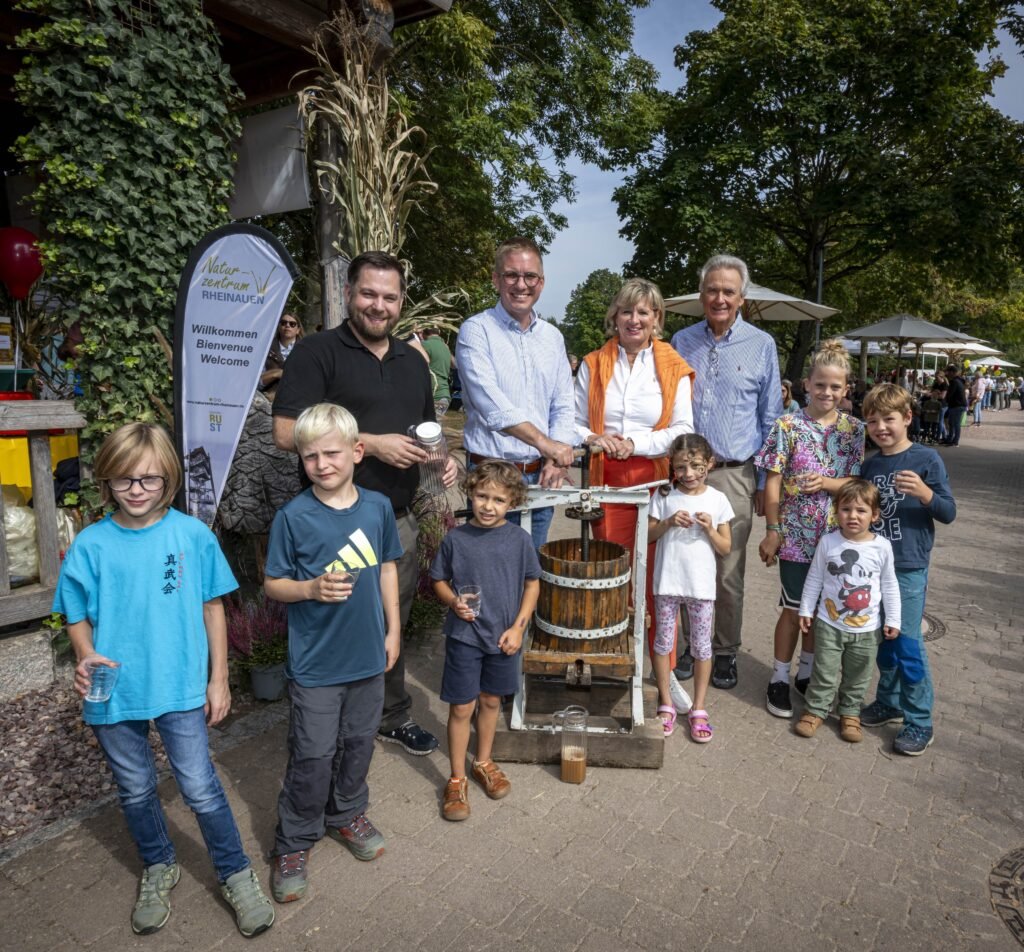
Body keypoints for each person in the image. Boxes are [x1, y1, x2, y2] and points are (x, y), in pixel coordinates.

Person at [53, 423, 274, 938]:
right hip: (115, 689)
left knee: (200, 786)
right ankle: (158, 864)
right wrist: (86, 656)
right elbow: (75, 613)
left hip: (178, 684)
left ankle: (235, 873)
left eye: (150, 480)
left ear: (169, 481)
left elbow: (213, 607)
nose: (137, 490)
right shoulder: (91, 544)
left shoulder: (192, 535)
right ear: (107, 481)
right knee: (134, 789)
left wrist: (219, 679)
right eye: (125, 479)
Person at [273, 251, 457, 757]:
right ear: (350, 293)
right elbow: (286, 432)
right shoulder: (316, 352)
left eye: (389, 297)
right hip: (330, 520)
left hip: (393, 519)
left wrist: (442, 458)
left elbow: (427, 432)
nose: (379, 305)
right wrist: (371, 444)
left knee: (389, 619)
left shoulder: (412, 362)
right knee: (331, 620)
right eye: (368, 293)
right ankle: (322, 722)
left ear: (401, 302)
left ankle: (389, 715)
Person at [264, 404, 402, 902]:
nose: (321, 464)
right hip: (316, 666)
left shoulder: (378, 508)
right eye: (310, 457)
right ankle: (294, 839)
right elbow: (273, 585)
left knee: (360, 742)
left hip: (368, 657)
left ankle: (346, 813)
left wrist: (394, 630)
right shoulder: (292, 517)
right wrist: (310, 590)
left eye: (331, 453)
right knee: (313, 754)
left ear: (356, 452)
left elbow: (388, 567)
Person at [670, 254, 783, 689]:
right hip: (683, 474)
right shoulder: (680, 341)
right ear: (702, 295)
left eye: (728, 291)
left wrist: (763, 480)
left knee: (727, 569)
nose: (719, 298)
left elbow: (772, 418)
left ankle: (723, 651)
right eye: (712, 290)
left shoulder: (762, 345)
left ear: (742, 297)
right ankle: (685, 647)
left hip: (736, 474)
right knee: (681, 560)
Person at [574, 277, 694, 673]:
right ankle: (614, 662)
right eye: (627, 310)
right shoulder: (592, 363)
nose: (634, 319)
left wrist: (635, 443)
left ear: (656, 318)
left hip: (652, 482)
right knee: (612, 573)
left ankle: (661, 671)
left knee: (658, 579)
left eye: (643, 311)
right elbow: (570, 423)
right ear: (614, 316)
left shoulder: (674, 366)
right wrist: (594, 436)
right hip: (604, 480)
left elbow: (682, 429)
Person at [755, 340, 865, 719]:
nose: (827, 393)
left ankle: (806, 672)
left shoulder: (854, 430)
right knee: (791, 609)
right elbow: (773, 480)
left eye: (836, 387)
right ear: (807, 384)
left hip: (839, 539)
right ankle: (779, 678)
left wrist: (828, 483)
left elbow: (855, 481)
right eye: (821, 385)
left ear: (846, 389)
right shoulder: (787, 425)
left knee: (822, 612)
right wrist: (772, 528)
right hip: (795, 537)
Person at [430, 461, 541, 821]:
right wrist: (453, 601)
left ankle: (484, 761)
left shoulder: (520, 540)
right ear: (470, 493)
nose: (488, 506)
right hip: (464, 636)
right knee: (462, 707)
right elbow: (439, 581)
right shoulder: (456, 539)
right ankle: (457, 777)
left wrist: (519, 628)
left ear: (513, 503)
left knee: (491, 701)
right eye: (481, 496)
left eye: (498, 499)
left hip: (504, 637)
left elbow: (532, 584)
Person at [456, 237, 575, 549]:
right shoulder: (476, 330)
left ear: (542, 282)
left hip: (541, 476)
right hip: (490, 478)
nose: (521, 284)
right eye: (512, 275)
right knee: (489, 575)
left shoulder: (552, 337)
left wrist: (556, 459)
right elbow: (490, 404)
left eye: (530, 276)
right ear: (497, 279)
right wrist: (547, 444)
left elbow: (563, 404)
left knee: (530, 573)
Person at [859, 384, 956, 756]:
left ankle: (919, 720)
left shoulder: (927, 458)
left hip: (909, 568)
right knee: (883, 640)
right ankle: (889, 701)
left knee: (908, 643)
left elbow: (948, 512)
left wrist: (926, 494)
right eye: (873, 420)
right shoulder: (870, 464)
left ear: (908, 419)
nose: (881, 426)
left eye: (889, 419)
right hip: (873, 568)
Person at [794, 479, 901, 743]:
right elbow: (815, 578)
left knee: (859, 675)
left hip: (867, 629)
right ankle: (816, 710)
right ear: (836, 512)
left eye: (861, 510)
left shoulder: (882, 547)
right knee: (824, 671)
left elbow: (889, 584)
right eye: (846, 509)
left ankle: (850, 713)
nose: (853, 516)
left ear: (874, 515)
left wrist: (894, 618)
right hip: (829, 624)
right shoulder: (828, 542)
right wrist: (806, 610)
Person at [648, 435, 733, 742]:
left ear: (709, 464)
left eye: (696, 466)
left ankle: (699, 707)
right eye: (681, 466)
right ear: (672, 465)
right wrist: (669, 522)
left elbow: (725, 547)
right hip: (668, 582)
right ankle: (666, 703)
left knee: (701, 647)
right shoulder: (664, 494)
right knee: (662, 643)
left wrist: (710, 528)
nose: (688, 474)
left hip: (700, 587)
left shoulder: (718, 499)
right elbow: (648, 535)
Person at [260, 312, 303, 394]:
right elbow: (257, 383)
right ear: (279, 327)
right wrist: (276, 374)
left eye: (292, 324)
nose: (287, 325)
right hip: (267, 400)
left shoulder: (306, 350)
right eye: (283, 323)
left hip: (298, 399)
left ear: (298, 330)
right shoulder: (265, 348)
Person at [420, 326, 453, 418]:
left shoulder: (424, 345)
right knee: (436, 428)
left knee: (426, 430)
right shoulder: (445, 347)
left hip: (433, 396)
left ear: (423, 333)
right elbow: (455, 365)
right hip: (444, 395)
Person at [940, 364, 967, 446]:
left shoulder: (955, 381)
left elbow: (950, 394)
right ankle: (951, 439)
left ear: (952, 372)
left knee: (955, 423)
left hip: (957, 405)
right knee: (952, 423)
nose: (947, 374)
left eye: (948, 372)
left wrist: (945, 401)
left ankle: (954, 441)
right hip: (958, 405)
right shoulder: (959, 380)